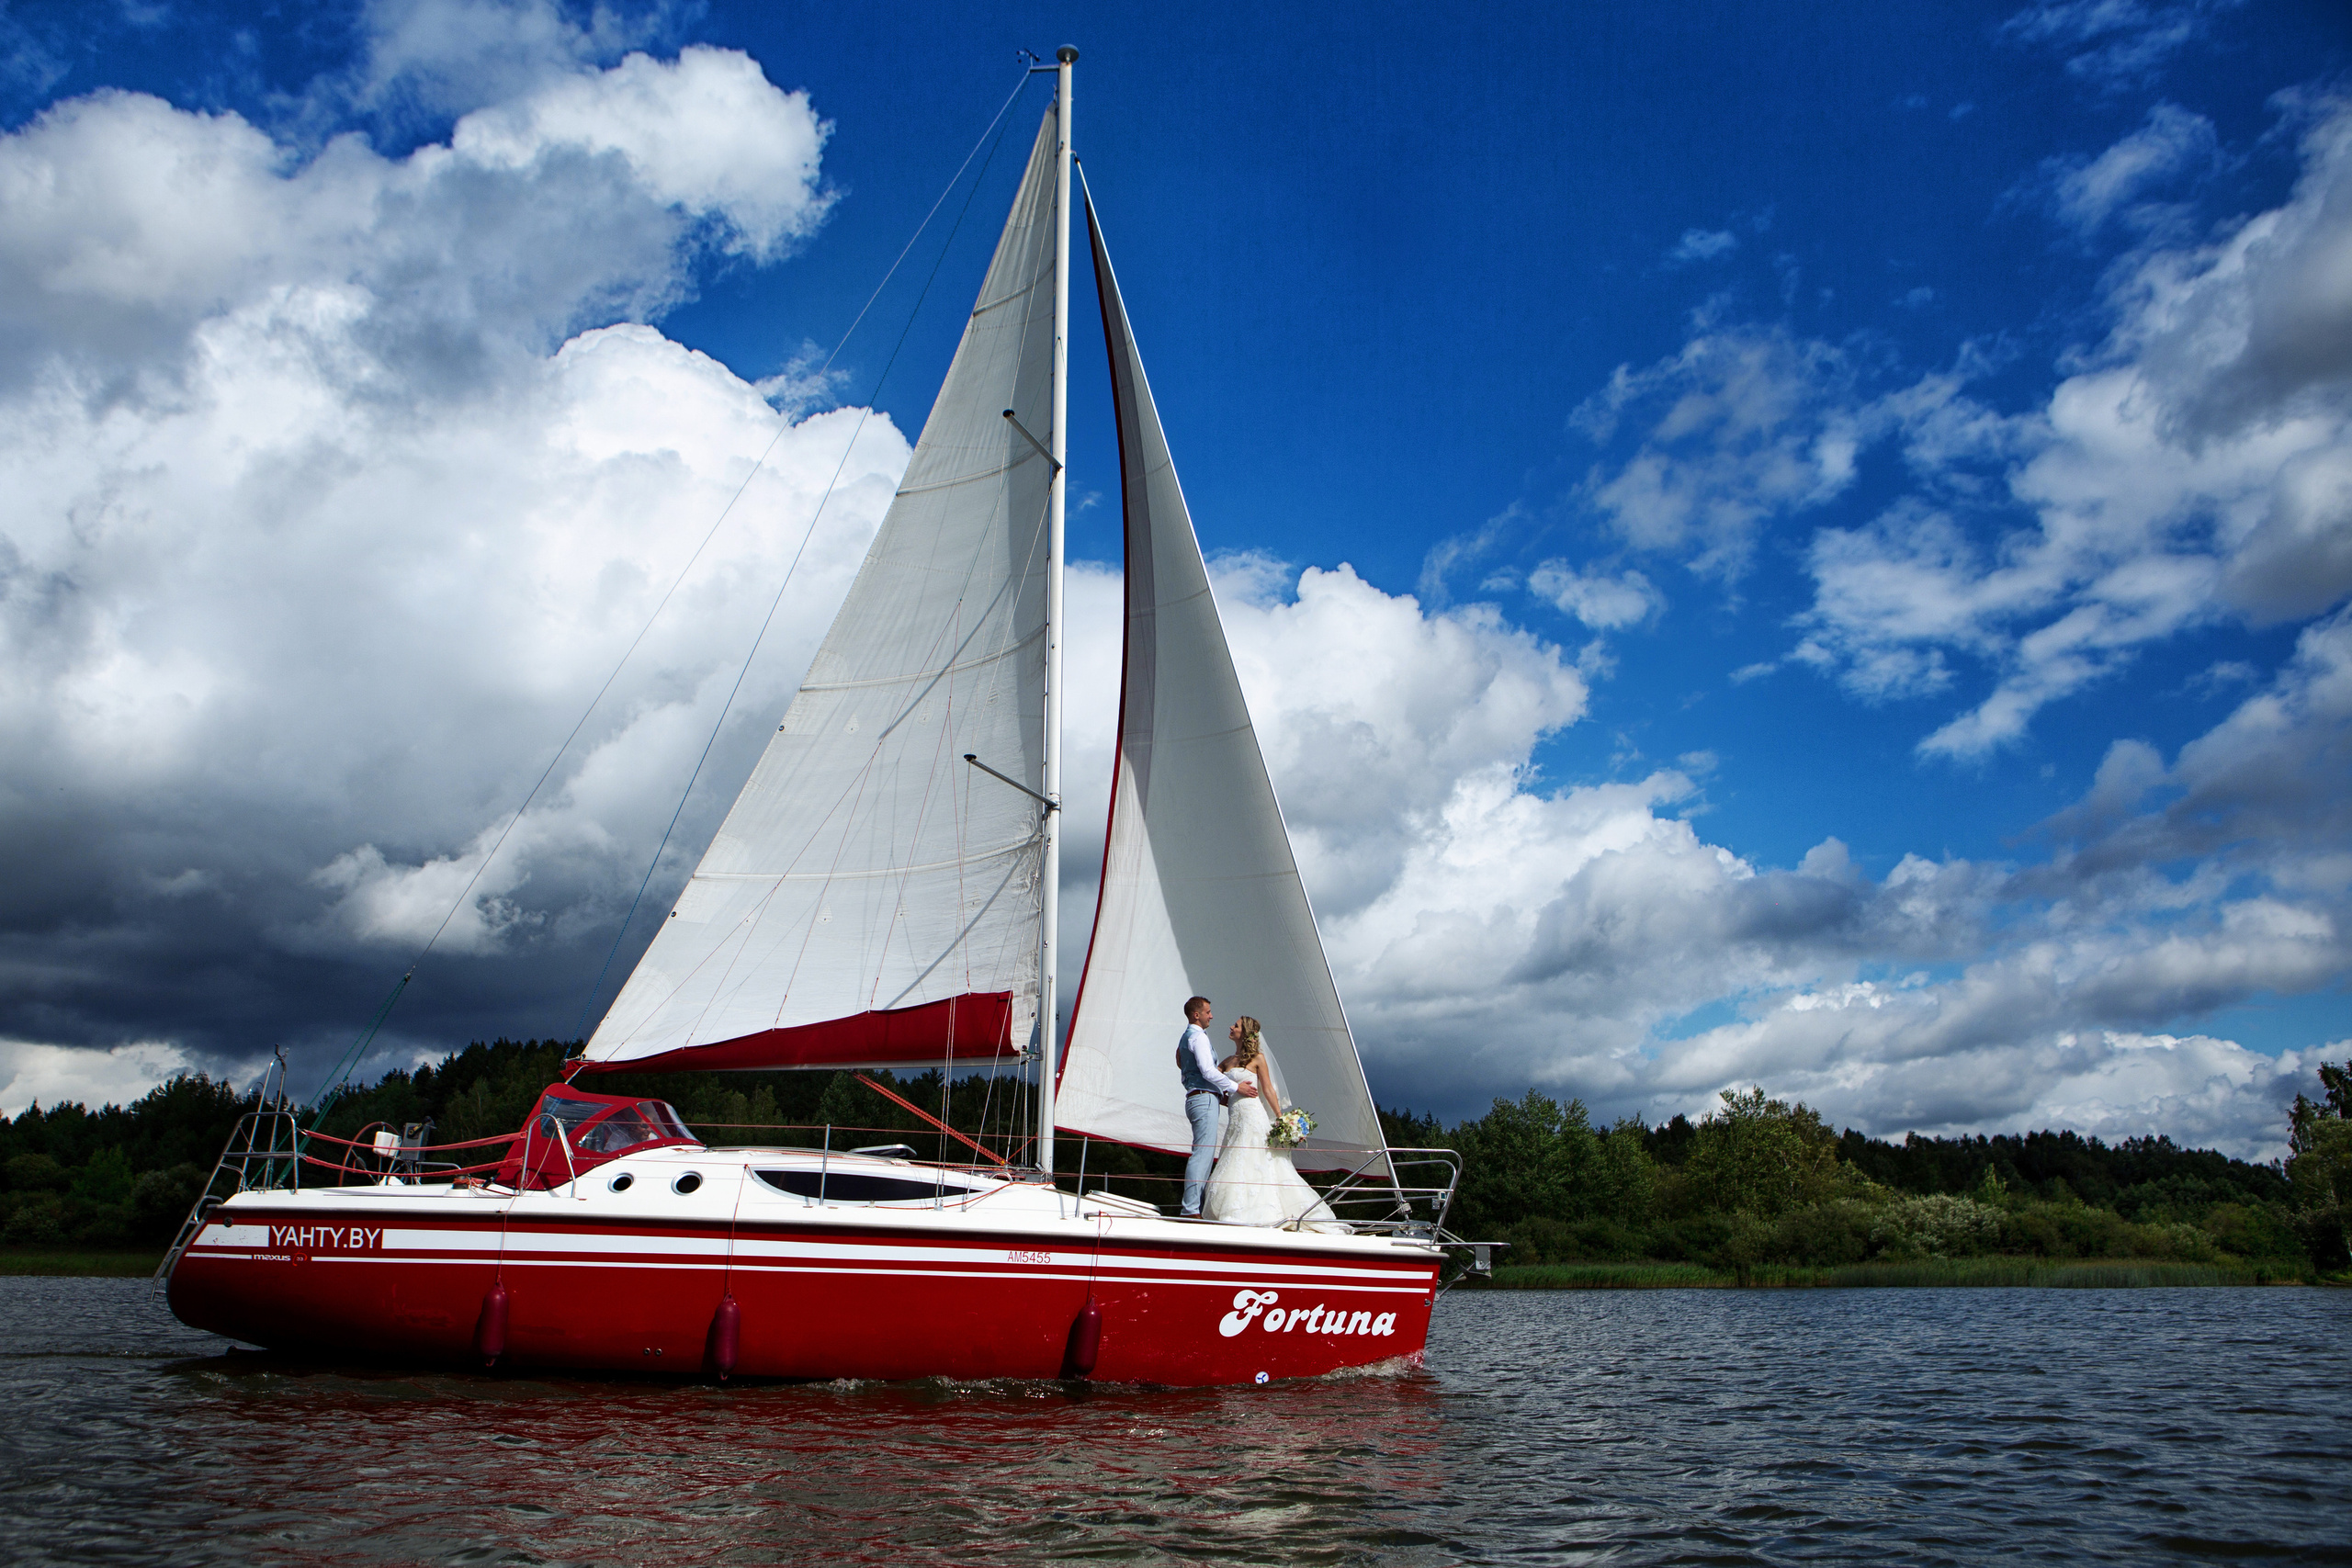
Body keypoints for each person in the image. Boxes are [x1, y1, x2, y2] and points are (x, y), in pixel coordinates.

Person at [1201, 1017, 1347, 1233]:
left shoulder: (1258, 1059)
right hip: (1235, 1119)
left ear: (1246, 1033)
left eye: (1237, 1025)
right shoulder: (1226, 1062)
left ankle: (1262, 1212)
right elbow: (1211, 1081)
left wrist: (1280, 1118)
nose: (1231, 1027)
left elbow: (1268, 1089)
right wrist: (1225, 1098)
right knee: (1235, 1156)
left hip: (1253, 1116)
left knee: (1254, 1157)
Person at [1175, 996, 1256, 1217]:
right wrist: (1235, 1087)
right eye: (1208, 1012)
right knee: (1202, 1153)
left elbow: (1183, 1065)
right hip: (1203, 1098)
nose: (1211, 1015)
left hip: (1198, 1096)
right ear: (1196, 1014)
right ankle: (1191, 1210)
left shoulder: (1186, 1037)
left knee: (1203, 1153)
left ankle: (1193, 1207)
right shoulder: (1198, 1037)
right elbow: (1208, 1072)